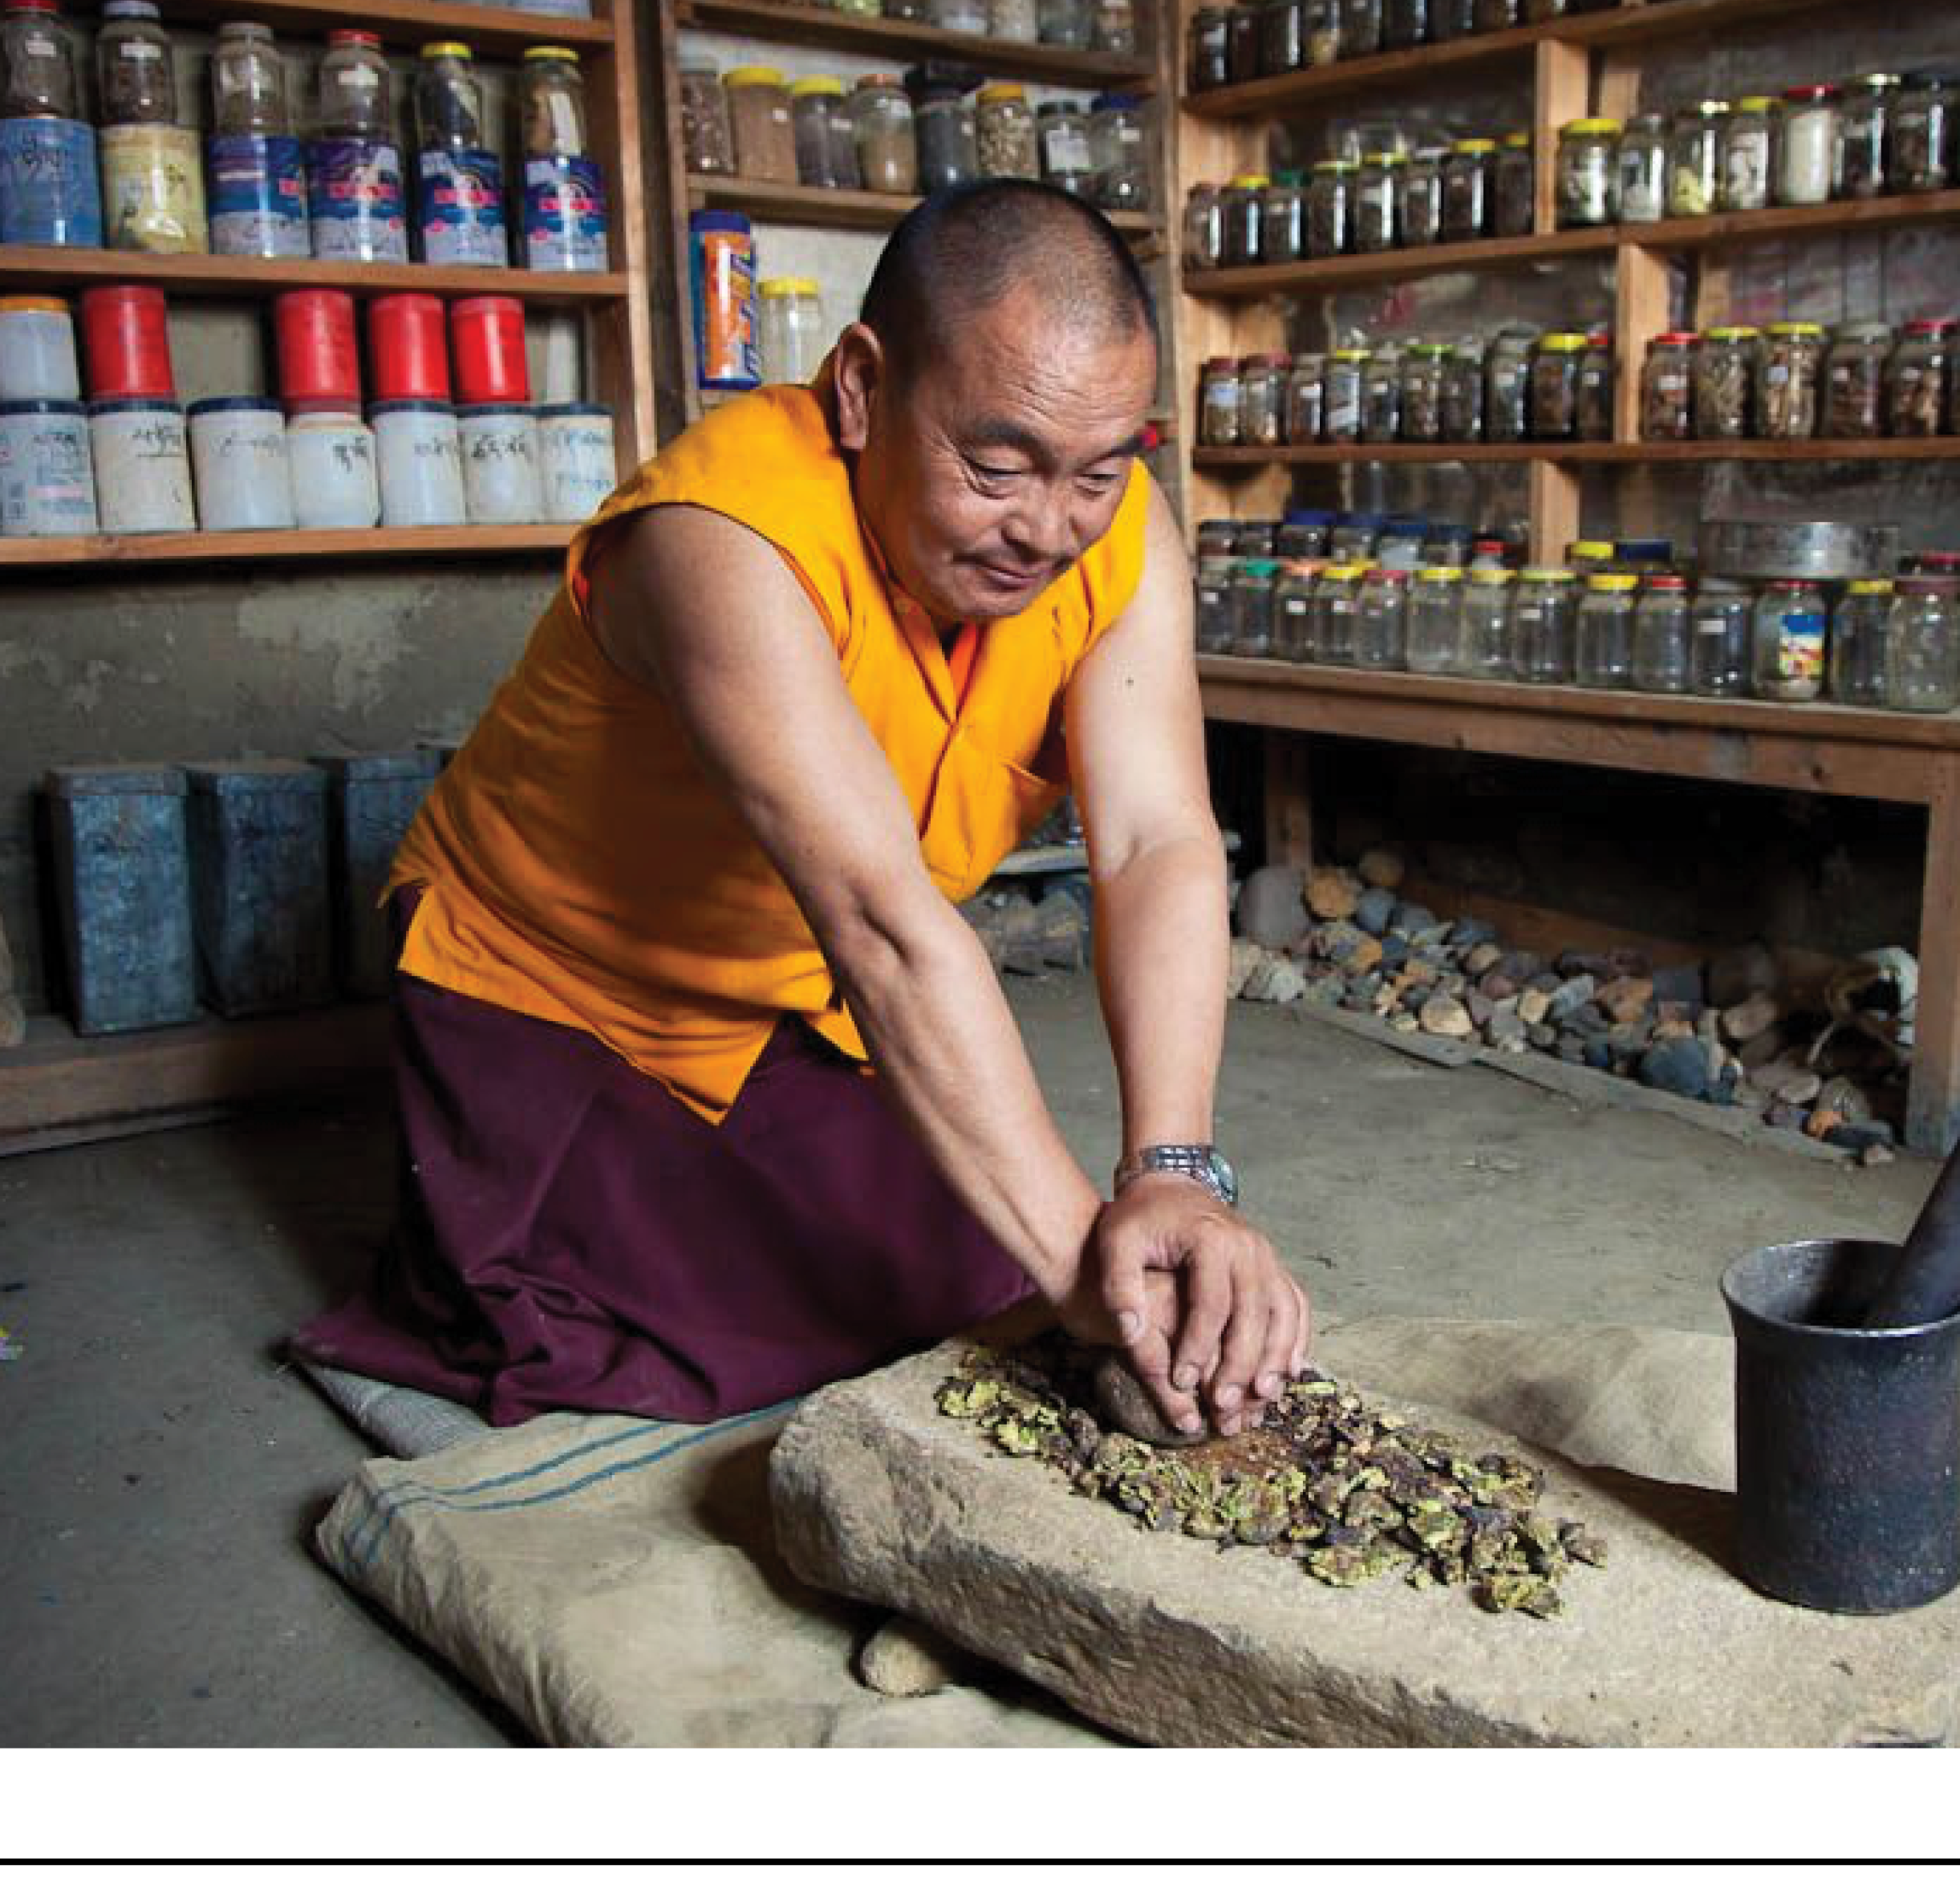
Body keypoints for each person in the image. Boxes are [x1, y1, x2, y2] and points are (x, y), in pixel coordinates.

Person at [291, 180, 1308, 1445]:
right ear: (862, 386)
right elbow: (882, 921)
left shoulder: (1113, 532)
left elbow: (1158, 838)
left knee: (960, 1281)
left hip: (794, 997)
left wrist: (1172, 1174)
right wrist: (1101, 1299)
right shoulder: (718, 540)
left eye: (1098, 471)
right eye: (995, 467)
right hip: (554, 986)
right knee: (633, 1333)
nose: (1046, 529)